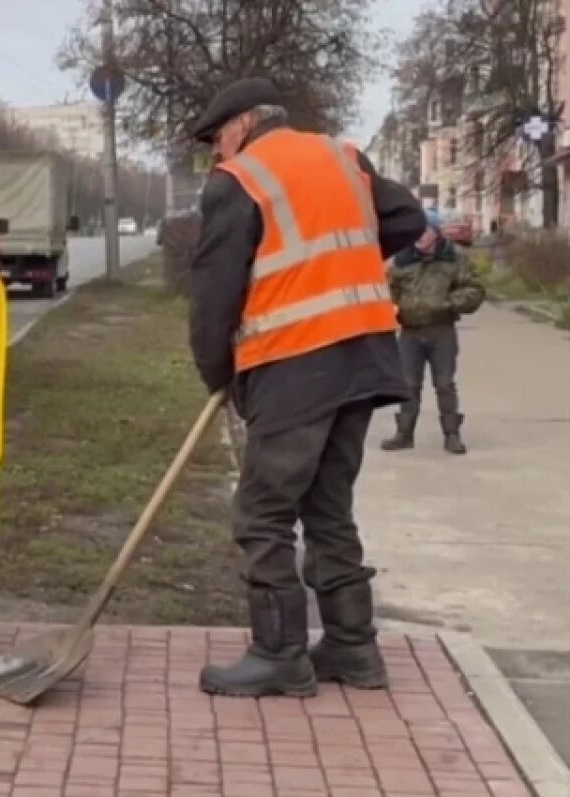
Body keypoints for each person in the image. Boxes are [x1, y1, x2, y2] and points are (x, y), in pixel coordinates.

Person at [186, 78, 426, 698]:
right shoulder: (345, 157)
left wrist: (220, 373)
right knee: (327, 505)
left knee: (263, 512)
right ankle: (352, 648)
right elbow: (406, 219)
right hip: (366, 355)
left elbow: (214, 298)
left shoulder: (240, 180)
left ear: (242, 125)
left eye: (217, 139)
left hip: (295, 363)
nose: (217, 152)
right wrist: (346, 266)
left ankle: (279, 655)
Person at [380, 209, 485, 454]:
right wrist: (392, 309)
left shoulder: (454, 258)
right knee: (408, 384)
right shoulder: (401, 260)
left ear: (435, 233)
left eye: (424, 230)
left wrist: (447, 304)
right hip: (410, 333)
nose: (418, 236)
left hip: (442, 331)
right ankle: (404, 434)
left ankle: (452, 435)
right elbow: (387, 292)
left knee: (445, 383)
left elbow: (474, 290)